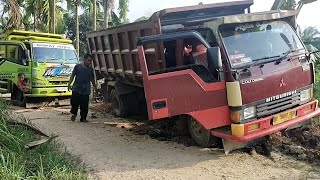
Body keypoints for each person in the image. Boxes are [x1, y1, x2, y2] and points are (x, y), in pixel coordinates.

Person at [68, 54, 96, 122]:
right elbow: (72, 76)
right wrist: (69, 84)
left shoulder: (90, 70)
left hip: (85, 90)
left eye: (91, 61)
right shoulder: (77, 67)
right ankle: (74, 113)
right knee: (74, 103)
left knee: (84, 105)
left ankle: (83, 118)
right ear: (84, 60)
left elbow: (92, 80)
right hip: (76, 89)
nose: (89, 62)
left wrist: (95, 88)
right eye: (88, 60)